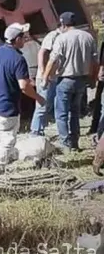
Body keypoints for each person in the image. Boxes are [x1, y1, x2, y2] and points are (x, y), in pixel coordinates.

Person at [0, 23, 45, 174]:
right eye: (23, 38)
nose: (24, 40)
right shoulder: (18, 59)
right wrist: (38, 98)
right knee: (8, 139)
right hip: (8, 107)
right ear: (16, 39)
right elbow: (23, 86)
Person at [42, 12, 98, 152]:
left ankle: (65, 143)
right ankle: (74, 142)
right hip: (81, 80)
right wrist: (93, 79)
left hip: (65, 80)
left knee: (61, 113)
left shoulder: (62, 38)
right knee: (75, 112)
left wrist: (45, 77)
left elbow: (53, 59)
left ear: (63, 24)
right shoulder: (88, 37)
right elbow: (95, 62)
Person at [29, 24, 63, 137]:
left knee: (48, 105)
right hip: (46, 77)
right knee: (42, 104)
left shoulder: (61, 37)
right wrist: (44, 74)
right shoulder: (53, 36)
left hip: (53, 76)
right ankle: (35, 131)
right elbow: (42, 53)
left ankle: (41, 128)